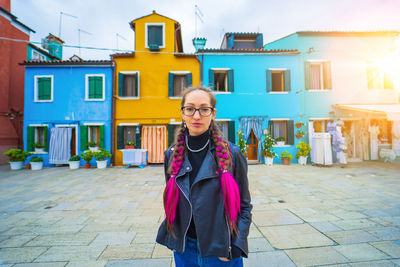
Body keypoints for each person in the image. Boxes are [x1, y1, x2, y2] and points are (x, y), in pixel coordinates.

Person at [156, 87, 252, 267]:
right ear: (182, 113)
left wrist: (238, 243)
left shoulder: (233, 153)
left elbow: (244, 206)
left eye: (204, 109)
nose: (197, 116)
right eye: (190, 108)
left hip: (221, 250)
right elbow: (174, 202)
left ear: (213, 113)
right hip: (185, 250)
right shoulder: (171, 155)